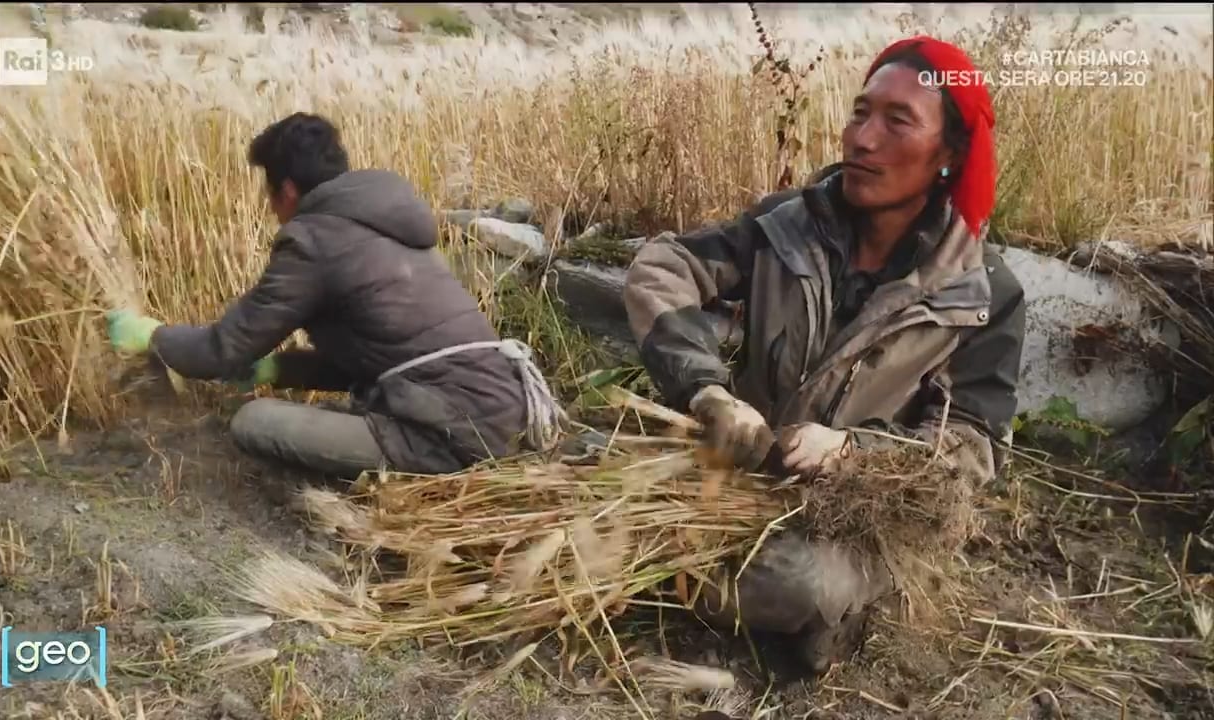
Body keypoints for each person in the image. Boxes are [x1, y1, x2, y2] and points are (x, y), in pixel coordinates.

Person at [623, 37, 1026, 674]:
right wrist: (707, 392)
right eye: (861, 113)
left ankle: (831, 607)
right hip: (743, 476)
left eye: (898, 122)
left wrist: (852, 453)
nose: (864, 139)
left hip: (858, 519)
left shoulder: (981, 293)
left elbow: (973, 448)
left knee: (795, 582)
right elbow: (665, 267)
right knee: (601, 497)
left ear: (948, 154)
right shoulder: (787, 225)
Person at [106, 112, 564, 479]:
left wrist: (151, 336)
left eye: (268, 192)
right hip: (506, 411)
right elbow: (380, 355)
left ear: (286, 190)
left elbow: (220, 349)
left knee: (254, 422)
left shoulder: (313, 241)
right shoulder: (392, 227)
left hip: (452, 434)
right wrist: (276, 367)